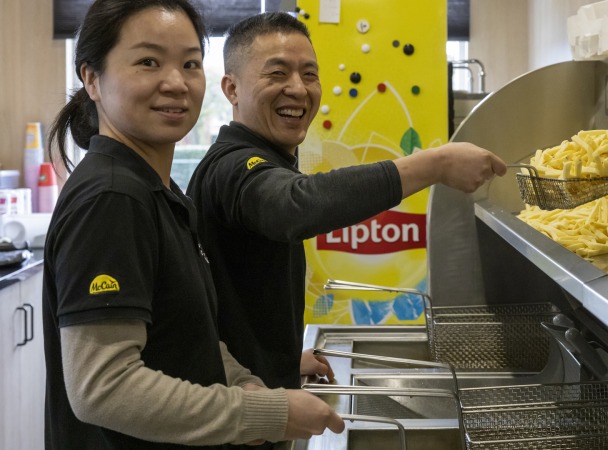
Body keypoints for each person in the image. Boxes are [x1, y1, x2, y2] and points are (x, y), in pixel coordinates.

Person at [186, 12, 506, 443]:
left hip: (264, 385)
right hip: (242, 417)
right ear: (231, 89)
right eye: (277, 73)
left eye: (309, 74)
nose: (298, 89)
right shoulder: (234, 167)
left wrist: (282, 361)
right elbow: (295, 205)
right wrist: (436, 163)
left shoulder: (265, 159)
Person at [42, 1, 344, 448]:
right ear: (92, 78)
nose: (176, 82)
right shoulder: (111, 198)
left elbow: (189, 337)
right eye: (149, 62)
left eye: (190, 64)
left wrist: (245, 384)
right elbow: (103, 388)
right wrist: (263, 414)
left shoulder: (160, 194)